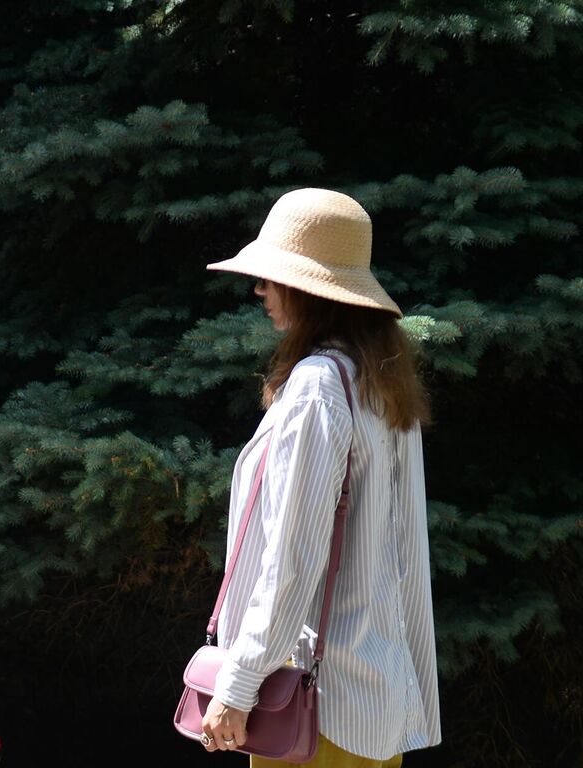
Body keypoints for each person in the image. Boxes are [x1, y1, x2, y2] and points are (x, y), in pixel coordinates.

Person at [196, 188, 441, 767]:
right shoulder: (381, 384)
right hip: (373, 703)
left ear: (308, 289)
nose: (259, 289)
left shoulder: (317, 387)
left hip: (313, 712)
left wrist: (238, 684)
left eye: (270, 277)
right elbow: (406, 554)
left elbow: (293, 557)